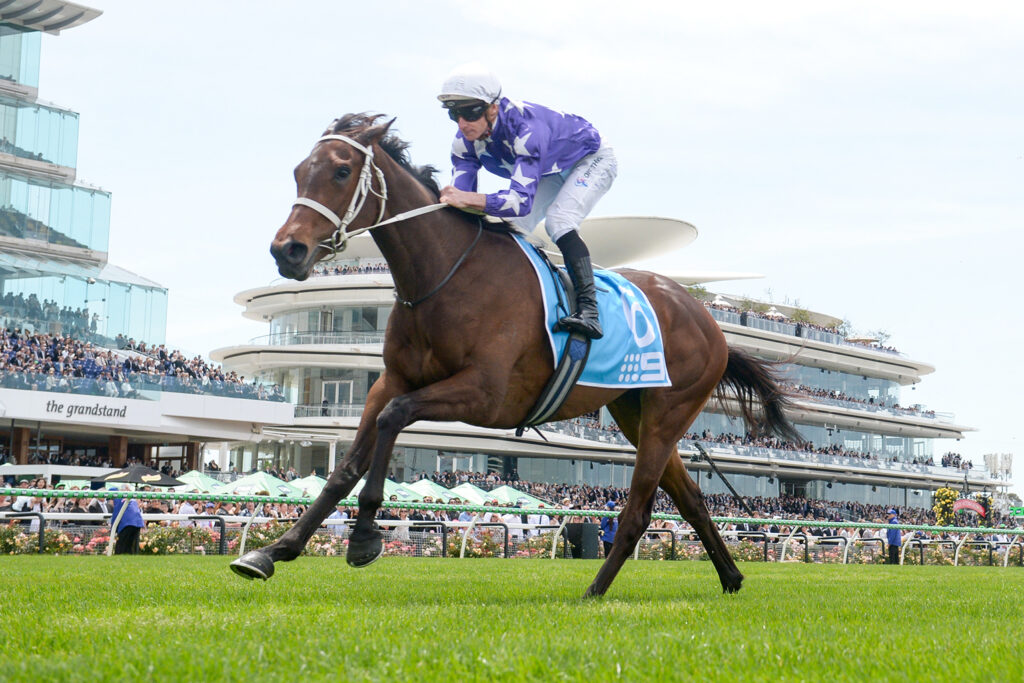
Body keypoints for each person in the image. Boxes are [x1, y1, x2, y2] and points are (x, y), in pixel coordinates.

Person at [437, 63, 617, 339]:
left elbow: (519, 200)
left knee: (560, 220)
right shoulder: (463, 142)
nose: (463, 123)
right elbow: (463, 205)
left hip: (590, 159)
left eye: (470, 112)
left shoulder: (526, 130)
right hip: (551, 167)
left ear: (493, 108)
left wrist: (467, 199)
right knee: (514, 226)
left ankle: (589, 312)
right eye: (454, 114)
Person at [111, 487, 144, 555]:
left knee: (121, 546)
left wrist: (113, 529)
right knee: (132, 546)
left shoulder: (117, 498)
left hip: (127, 523)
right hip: (137, 523)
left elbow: (116, 515)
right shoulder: (132, 498)